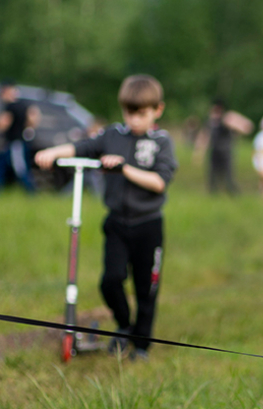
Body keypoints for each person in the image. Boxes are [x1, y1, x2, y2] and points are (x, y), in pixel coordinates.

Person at [34, 74, 177, 360]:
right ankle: (124, 325)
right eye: (129, 113)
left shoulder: (161, 141)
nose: (134, 120)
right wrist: (52, 152)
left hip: (148, 225)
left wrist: (124, 168)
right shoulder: (113, 135)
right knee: (110, 281)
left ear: (157, 110)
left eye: (142, 114)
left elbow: (160, 182)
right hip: (117, 223)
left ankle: (141, 345)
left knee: (146, 287)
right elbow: (82, 148)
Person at [0, 80, 41, 192]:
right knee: (0, 165)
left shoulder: (11, 106)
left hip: (16, 143)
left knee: (20, 169)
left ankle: (31, 192)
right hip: (16, 142)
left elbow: (4, 123)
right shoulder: (24, 104)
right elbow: (33, 119)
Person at [195, 98, 253, 194]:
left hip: (226, 152)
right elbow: (204, 136)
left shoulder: (228, 117)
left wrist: (233, 123)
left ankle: (234, 194)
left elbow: (248, 127)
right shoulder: (210, 121)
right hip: (214, 152)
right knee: (212, 178)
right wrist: (199, 152)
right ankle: (214, 195)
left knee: (228, 178)